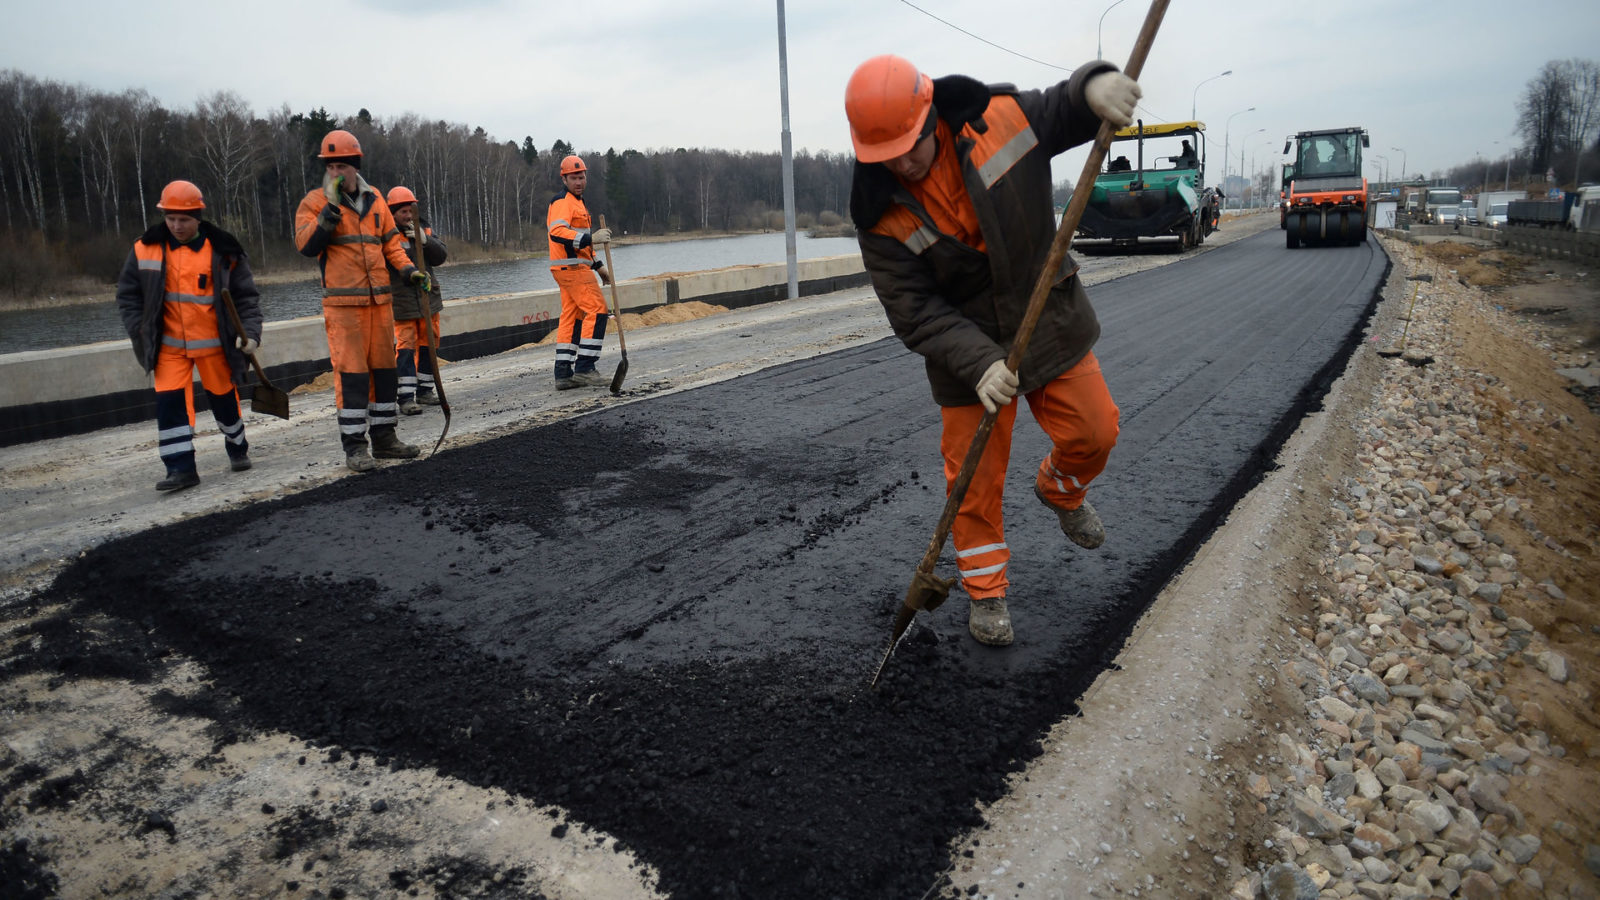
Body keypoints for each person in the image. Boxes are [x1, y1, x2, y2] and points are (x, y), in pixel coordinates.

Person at [845, 54, 1137, 646]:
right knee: (972, 481)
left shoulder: (998, 119)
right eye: (886, 155)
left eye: (911, 146)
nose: (903, 163)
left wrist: (1093, 87)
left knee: (1096, 430)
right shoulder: (879, 216)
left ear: (932, 115)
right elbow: (913, 309)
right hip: (965, 348)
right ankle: (986, 592)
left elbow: (1060, 110)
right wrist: (979, 363)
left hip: (1044, 311)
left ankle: (1060, 489)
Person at [294, 129, 428, 471]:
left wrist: (409, 271)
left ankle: (385, 439)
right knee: (351, 376)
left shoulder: (376, 200)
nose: (336, 173)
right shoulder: (314, 203)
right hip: (344, 308)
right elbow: (306, 245)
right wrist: (329, 212)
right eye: (331, 167)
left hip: (379, 303)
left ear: (355, 167)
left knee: (384, 373)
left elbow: (391, 245)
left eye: (342, 166)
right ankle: (355, 446)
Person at [116, 180, 263, 492]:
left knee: (225, 402)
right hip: (168, 349)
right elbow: (128, 296)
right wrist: (140, 330)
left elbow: (246, 299)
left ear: (198, 217)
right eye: (170, 218)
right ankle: (180, 469)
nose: (176, 226)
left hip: (215, 347)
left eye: (183, 219)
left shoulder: (224, 250)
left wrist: (250, 335)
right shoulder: (145, 248)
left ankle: (237, 447)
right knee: (170, 405)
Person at [546, 154, 613, 389]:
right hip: (571, 268)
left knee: (572, 317)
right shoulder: (562, 202)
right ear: (564, 179)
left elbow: (581, 243)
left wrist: (597, 265)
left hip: (570, 267)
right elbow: (558, 233)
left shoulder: (578, 203)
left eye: (581, 177)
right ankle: (585, 368)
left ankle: (563, 373)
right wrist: (591, 238)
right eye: (573, 178)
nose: (578, 182)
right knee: (597, 310)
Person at [384, 186, 448, 415]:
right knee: (406, 347)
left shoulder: (424, 228)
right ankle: (405, 397)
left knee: (429, 342)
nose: (409, 215)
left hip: (428, 298)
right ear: (392, 213)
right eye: (403, 212)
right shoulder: (388, 234)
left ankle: (425, 390)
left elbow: (440, 256)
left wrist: (425, 240)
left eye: (411, 211)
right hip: (404, 301)